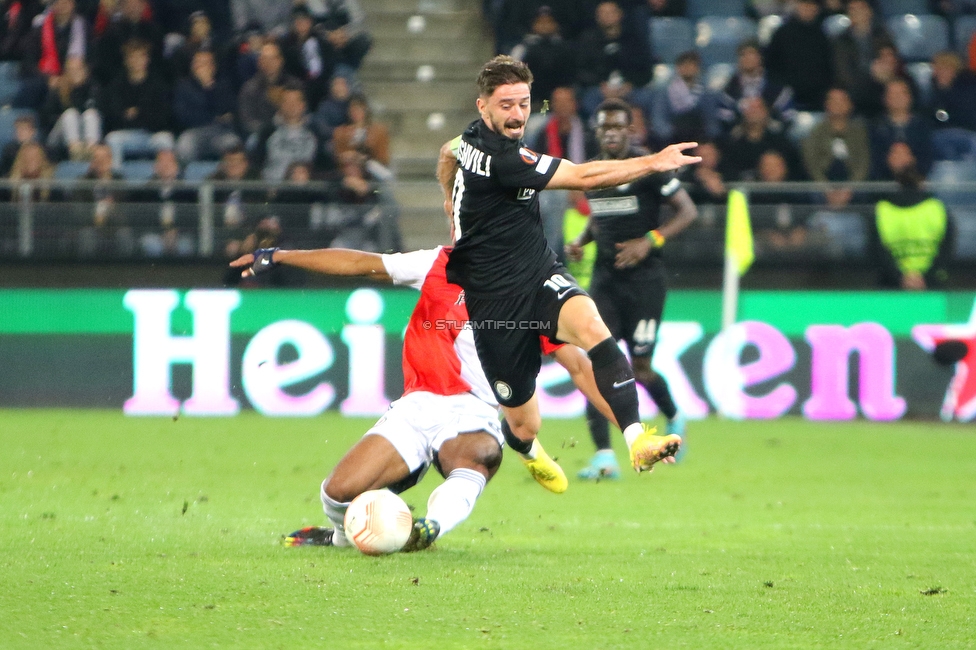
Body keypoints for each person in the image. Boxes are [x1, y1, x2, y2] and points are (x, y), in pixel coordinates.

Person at [227, 244, 625, 549]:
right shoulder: (438, 262)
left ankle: (431, 526)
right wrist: (279, 255)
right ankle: (340, 537)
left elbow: (580, 368)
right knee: (337, 493)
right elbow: (358, 263)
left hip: (476, 411)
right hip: (417, 407)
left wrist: (632, 430)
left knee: (479, 455)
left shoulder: (531, 291)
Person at [437, 55, 699, 481]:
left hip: (539, 272)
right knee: (523, 422)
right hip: (494, 301)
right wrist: (652, 161)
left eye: (523, 102)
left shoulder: (468, 138)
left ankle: (637, 440)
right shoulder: (504, 162)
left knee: (594, 329)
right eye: (506, 105)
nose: (518, 113)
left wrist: (449, 199)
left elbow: (446, 152)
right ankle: (525, 446)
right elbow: (581, 176)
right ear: (482, 106)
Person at [565, 99, 697, 480]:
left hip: (645, 283)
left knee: (640, 367)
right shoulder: (594, 172)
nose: (611, 133)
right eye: (604, 127)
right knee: (596, 364)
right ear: (597, 131)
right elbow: (601, 218)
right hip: (605, 280)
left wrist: (649, 241)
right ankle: (605, 457)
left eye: (618, 127)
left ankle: (673, 415)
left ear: (629, 131)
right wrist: (582, 239)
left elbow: (688, 211)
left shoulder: (649, 168)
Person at [872, 143, 955, 290]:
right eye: (895, 154)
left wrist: (910, 279)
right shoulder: (938, 208)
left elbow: (946, 250)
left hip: (913, 289)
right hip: (917, 288)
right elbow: (947, 250)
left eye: (904, 154)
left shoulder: (881, 210)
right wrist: (919, 278)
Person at [801, 87, 870, 207]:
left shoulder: (859, 132)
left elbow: (863, 162)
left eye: (841, 100)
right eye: (833, 101)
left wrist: (849, 189)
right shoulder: (816, 131)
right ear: (826, 104)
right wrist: (827, 190)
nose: (837, 105)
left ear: (850, 104)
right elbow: (811, 164)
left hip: (852, 184)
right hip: (823, 184)